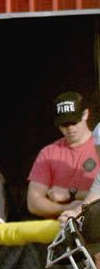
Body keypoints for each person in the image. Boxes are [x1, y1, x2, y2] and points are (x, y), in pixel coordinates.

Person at [27, 91, 99, 219]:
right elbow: (33, 203)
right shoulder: (49, 153)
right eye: (64, 124)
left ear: (86, 114)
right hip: (59, 226)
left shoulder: (97, 146)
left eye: (74, 122)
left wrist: (72, 194)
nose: (70, 128)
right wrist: (67, 209)